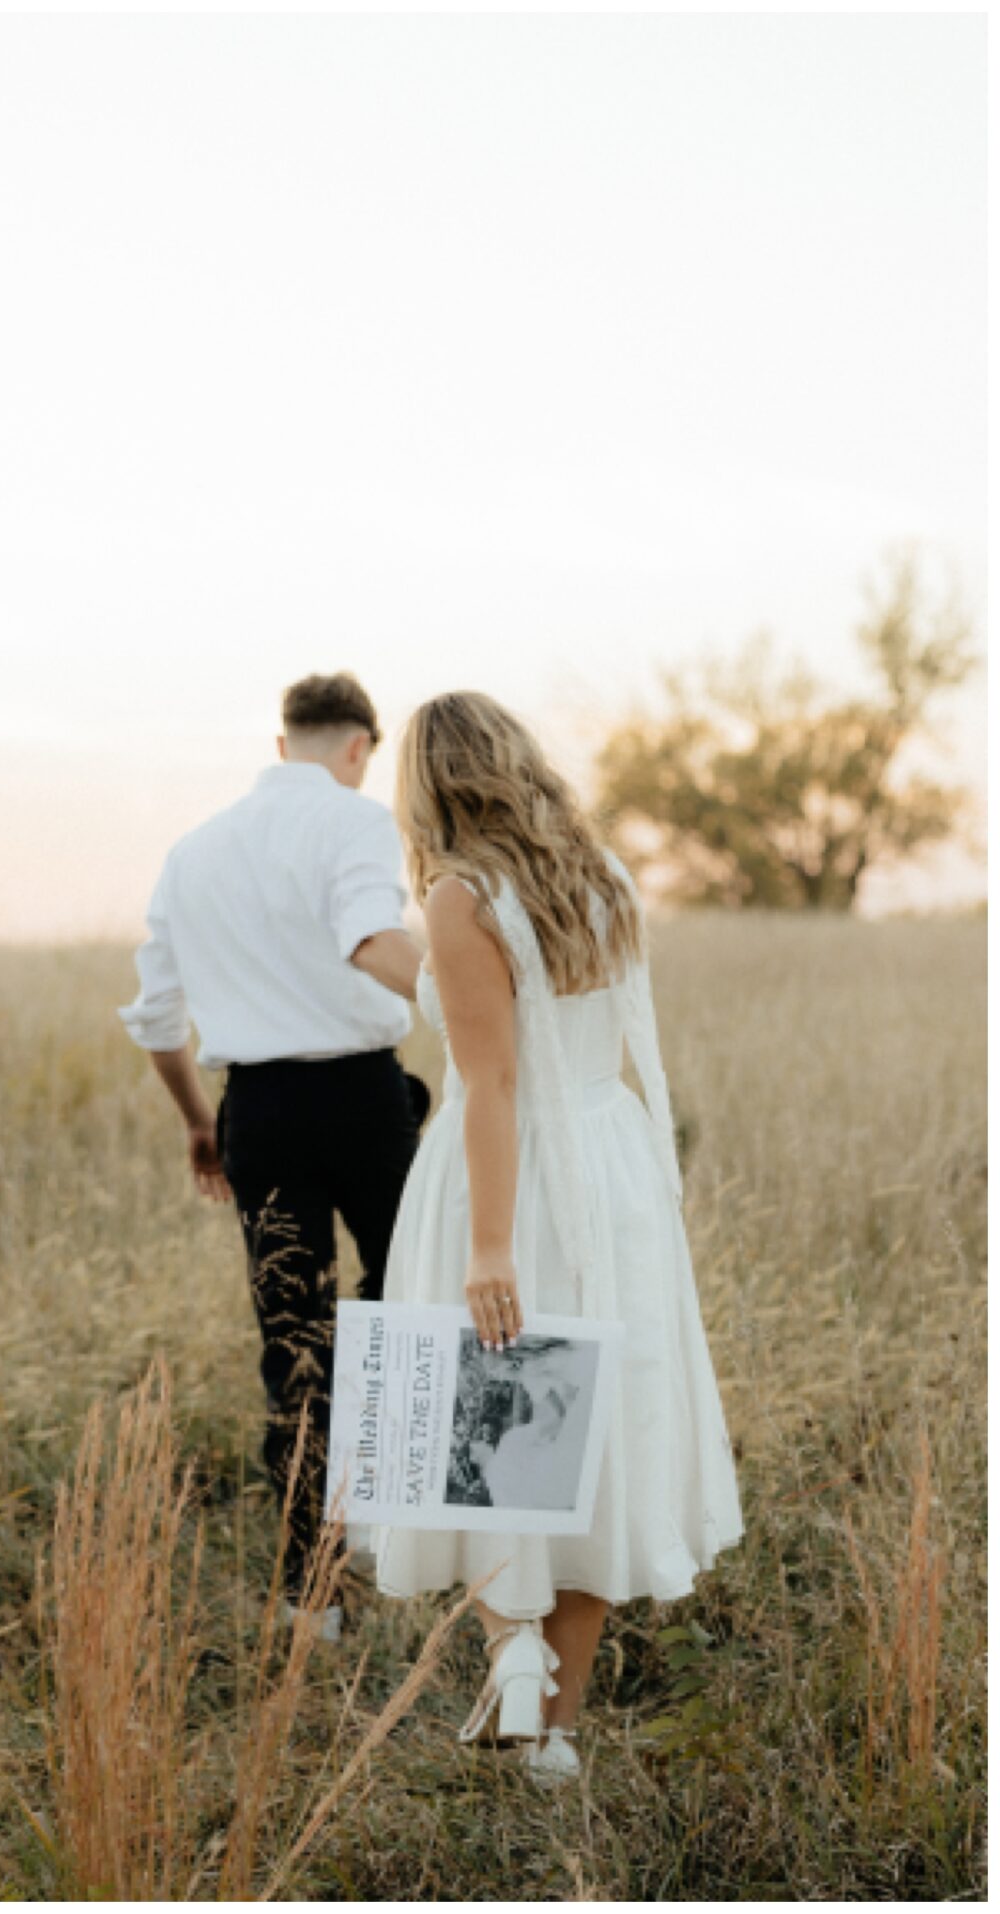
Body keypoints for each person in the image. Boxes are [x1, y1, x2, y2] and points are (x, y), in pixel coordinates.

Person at [369, 690, 741, 1785]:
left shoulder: (458, 894)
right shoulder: (598, 874)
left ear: (427, 785)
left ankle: (515, 1656)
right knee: (593, 1429)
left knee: (486, 1428)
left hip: (512, 1174)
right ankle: (554, 1734)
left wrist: (490, 1248)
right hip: (611, 1163)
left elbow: (490, 1083)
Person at [117, 671, 427, 1637]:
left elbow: (158, 1018)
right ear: (356, 749)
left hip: (257, 1109)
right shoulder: (356, 821)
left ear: (281, 739)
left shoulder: (193, 851)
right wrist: (486, 1004)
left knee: (294, 1344)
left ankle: (311, 1595)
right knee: (415, 1298)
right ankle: (404, 1527)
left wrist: (198, 1124)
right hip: (365, 1099)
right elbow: (371, 941)